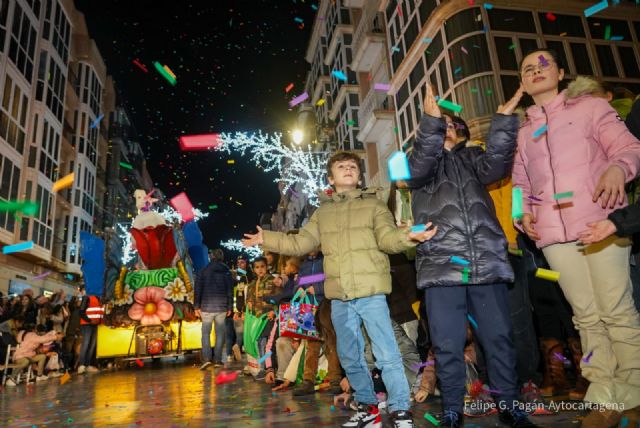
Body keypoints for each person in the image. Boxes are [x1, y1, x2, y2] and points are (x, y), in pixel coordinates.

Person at [242, 151, 437, 428]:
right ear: (331, 178)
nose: (348, 169)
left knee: (387, 352)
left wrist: (408, 236)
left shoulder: (375, 206)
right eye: (341, 167)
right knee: (348, 355)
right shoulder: (323, 213)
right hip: (340, 297)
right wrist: (268, 238)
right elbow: (301, 243)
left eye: (353, 167)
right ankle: (367, 407)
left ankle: (400, 409)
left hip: (371, 292)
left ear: (359, 176)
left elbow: (388, 238)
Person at [512, 48, 640, 428]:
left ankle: (633, 390)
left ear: (562, 72)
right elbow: (520, 182)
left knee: (616, 310)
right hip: (553, 234)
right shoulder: (523, 130)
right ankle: (602, 392)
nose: (536, 71)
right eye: (528, 69)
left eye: (543, 64)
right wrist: (521, 213)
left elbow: (629, 148)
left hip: (600, 221)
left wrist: (618, 168)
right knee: (585, 316)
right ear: (522, 81)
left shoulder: (590, 108)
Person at [408, 82, 535, 428]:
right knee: (446, 343)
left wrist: (504, 122)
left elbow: (497, 165)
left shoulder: (474, 158)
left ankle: (509, 404)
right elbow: (418, 167)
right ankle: (452, 409)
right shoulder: (416, 164)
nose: (447, 127)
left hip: (485, 261)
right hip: (441, 264)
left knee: (498, 338)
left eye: (451, 125)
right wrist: (431, 123)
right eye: (440, 125)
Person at [194, 248, 234, 370]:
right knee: (220, 334)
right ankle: (217, 360)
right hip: (221, 307)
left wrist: (196, 306)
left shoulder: (203, 271)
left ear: (211, 257)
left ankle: (206, 359)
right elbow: (229, 290)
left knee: (205, 333)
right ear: (222, 257)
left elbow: (198, 290)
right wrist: (230, 307)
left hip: (206, 307)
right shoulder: (226, 271)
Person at [244, 256, 281, 379]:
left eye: (262, 267)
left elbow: (279, 298)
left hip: (269, 318)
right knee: (259, 342)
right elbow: (249, 300)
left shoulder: (273, 281)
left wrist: (275, 311)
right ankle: (264, 366)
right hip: (257, 320)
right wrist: (247, 309)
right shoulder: (252, 284)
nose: (260, 270)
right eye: (257, 267)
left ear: (267, 267)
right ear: (253, 269)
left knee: (267, 343)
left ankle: (269, 368)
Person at [77, 288, 103, 374]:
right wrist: (89, 320)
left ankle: (88, 364)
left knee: (92, 344)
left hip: (95, 324)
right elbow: (81, 311)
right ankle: (82, 365)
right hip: (87, 324)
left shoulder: (99, 299)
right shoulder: (87, 297)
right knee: (86, 343)